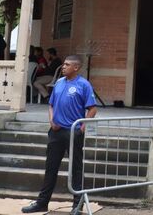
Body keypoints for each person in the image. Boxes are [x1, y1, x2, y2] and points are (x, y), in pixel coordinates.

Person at [22, 55, 97, 215]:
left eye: (67, 65)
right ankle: (42, 202)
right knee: (51, 167)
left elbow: (92, 109)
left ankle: (77, 205)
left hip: (73, 132)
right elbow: (51, 105)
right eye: (63, 64)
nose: (63, 67)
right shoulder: (59, 83)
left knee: (76, 168)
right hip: (56, 131)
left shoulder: (84, 85)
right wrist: (51, 121)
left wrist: (82, 127)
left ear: (76, 68)